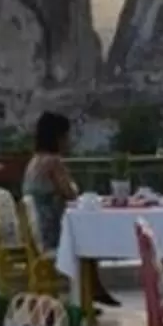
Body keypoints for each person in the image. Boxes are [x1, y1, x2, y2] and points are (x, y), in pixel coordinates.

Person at [23, 110, 115, 310]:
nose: (69, 141)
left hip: (37, 232)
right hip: (51, 234)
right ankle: (89, 293)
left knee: (85, 236)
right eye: (66, 136)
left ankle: (90, 292)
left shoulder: (34, 162)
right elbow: (71, 193)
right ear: (58, 137)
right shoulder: (53, 162)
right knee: (87, 241)